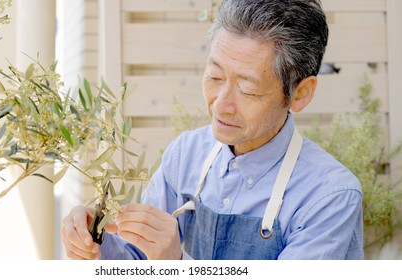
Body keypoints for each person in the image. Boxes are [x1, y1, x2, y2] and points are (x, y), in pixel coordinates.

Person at [61, 0, 364, 260]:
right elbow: (137, 259)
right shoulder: (186, 155)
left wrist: (177, 264)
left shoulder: (330, 196)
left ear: (299, 94)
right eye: (215, 76)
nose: (221, 105)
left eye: (248, 89)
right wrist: (95, 245)